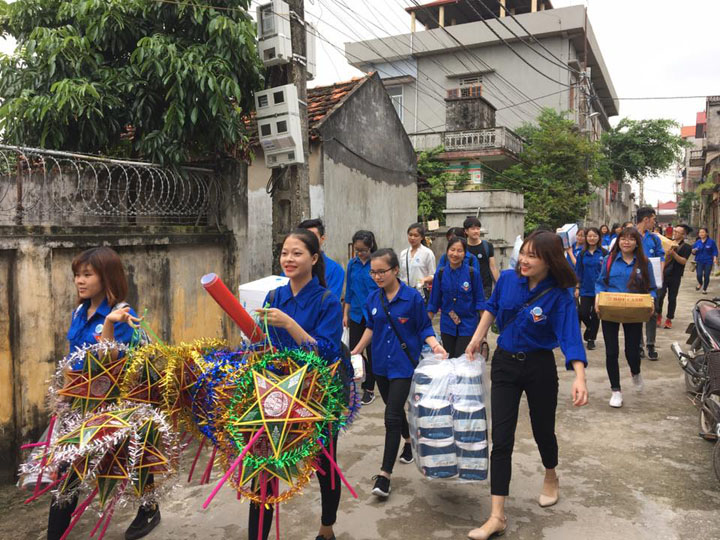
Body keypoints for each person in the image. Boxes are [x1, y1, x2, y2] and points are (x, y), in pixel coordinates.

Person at [464, 231, 588, 540]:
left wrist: (580, 377)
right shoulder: (507, 279)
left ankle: (550, 474)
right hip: (505, 364)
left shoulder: (559, 294)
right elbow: (492, 308)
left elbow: (570, 335)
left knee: (542, 430)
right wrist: (477, 337)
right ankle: (496, 516)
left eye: (533, 255)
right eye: (524, 253)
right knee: (502, 439)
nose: (524, 259)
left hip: (539, 366)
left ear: (549, 261)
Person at [48, 247, 158, 540]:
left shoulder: (123, 314)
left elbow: (110, 363)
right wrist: (65, 394)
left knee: (130, 456)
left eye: (87, 274)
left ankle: (148, 508)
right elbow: (75, 355)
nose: (79, 281)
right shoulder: (79, 312)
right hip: (80, 404)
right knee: (69, 467)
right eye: (77, 275)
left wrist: (109, 323)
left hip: (113, 404)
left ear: (106, 276)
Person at [253, 228, 344, 540]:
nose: (288, 259)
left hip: (316, 395)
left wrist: (290, 325)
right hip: (275, 394)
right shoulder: (274, 296)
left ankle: (326, 528)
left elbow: (328, 352)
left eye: (297, 253)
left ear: (314, 258)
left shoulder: (327, 301)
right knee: (262, 469)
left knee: (325, 465)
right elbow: (263, 343)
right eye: (284, 253)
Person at [350, 248, 446, 499]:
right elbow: (370, 328)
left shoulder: (412, 298)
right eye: (373, 272)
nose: (377, 277)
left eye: (382, 271)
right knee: (396, 410)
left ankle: (384, 475)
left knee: (391, 415)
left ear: (395, 271)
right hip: (380, 364)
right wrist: (357, 351)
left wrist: (435, 345)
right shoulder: (373, 299)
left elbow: (424, 327)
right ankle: (407, 440)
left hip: (404, 365)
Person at [596, 227, 657, 408]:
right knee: (611, 351)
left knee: (632, 351)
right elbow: (600, 283)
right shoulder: (609, 261)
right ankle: (616, 390)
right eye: (623, 238)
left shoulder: (644, 263)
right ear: (618, 241)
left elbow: (651, 287)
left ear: (637, 242)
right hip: (610, 309)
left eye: (631, 239)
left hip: (634, 310)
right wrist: (598, 298)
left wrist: (652, 301)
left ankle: (635, 371)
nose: (626, 242)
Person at [427, 237, 486, 358]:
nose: (455, 254)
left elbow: (480, 302)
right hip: (447, 325)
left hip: (468, 325)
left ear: (465, 254)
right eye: (452, 250)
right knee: (448, 360)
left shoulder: (472, 273)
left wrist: (483, 333)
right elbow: (434, 302)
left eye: (460, 251)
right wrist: (424, 326)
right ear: (447, 251)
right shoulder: (441, 274)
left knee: (463, 360)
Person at [344, 230, 379, 406]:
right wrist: (346, 313)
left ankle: (369, 388)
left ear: (370, 246)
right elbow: (349, 290)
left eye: (363, 250)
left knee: (373, 352)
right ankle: (355, 383)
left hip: (374, 314)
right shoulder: (352, 264)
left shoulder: (377, 264)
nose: (360, 253)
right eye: (357, 250)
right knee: (354, 351)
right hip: (356, 314)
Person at [634, 207, 664, 361]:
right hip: (634, 281)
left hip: (652, 281)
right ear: (646, 219)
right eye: (653, 219)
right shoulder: (630, 236)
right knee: (637, 312)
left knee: (652, 310)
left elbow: (661, 258)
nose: (654, 222)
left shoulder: (654, 238)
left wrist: (659, 276)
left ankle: (650, 344)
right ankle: (638, 345)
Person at [298, 218, 345, 300]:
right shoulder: (293, 265)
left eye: (312, 237)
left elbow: (330, 303)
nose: (307, 241)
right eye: (303, 237)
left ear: (322, 239)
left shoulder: (335, 270)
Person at [575, 227, 606, 350]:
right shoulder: (582, 254)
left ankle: (591, 339)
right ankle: (589, 328)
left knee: (595, 314)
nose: (592, 238)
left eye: (594, 236)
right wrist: (577, 287)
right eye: (589, 236)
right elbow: (578, 272)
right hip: (586, 288)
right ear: (586, 238)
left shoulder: (604, 253)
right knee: (583, 312)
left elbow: (607, 272)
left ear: (599, 237)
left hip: (600, 290)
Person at [658, 225, 693, 329]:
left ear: (683, 234)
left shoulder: (687, 247)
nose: (675, 233)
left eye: (678, 232)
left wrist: (673, 253)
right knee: (660, 296)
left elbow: (683, 261)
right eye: (675, 231)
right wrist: (668, 255)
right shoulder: (668, 242)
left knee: (672, 298)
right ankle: (658, 315)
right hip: (664, 273)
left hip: (675, 275)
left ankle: (669, 319)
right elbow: (663, 258)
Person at [398, 223, 436, 301]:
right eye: (410, 235)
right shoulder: (403, 253)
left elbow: (433, 275)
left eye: (416, 235)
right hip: (405, 293)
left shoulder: (427, 253)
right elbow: (402, 275)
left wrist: (424, 280)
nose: (412, 238)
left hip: (421, 293)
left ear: (421, 237)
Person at [464, 217, 500, 299]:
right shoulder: (462, 247)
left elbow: (493, 267)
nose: (476, 231)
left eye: (478, 228)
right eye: (473, 229)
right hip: (466, 286)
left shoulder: (487, 246)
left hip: (485, 287)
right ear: (466, 231)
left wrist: (499, 285)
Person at [692, 227, 718, 294]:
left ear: (706, 233)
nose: (701, 234)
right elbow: (693, 252)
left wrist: (715, 258)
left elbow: (715, 251)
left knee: (706, 275)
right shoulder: (697, 242)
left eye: (703, 232)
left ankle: (704, 289)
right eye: (700, 232)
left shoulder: (711, 242)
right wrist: (694, 251)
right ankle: (700, 283)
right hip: (699, 261)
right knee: (699, 275)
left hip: (708, 261)